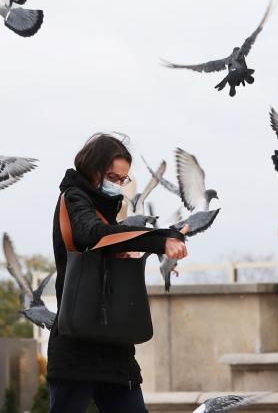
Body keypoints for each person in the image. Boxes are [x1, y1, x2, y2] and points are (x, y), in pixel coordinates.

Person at [47, 133, 189, 413]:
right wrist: (160, 240)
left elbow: (106, 239)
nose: (118, 185)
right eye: (112, 176)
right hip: (78, 344)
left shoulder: (105, 209)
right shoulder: (75, 198)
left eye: (122, 179)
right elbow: (94, 234)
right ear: (93, 169)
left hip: (112, 344)